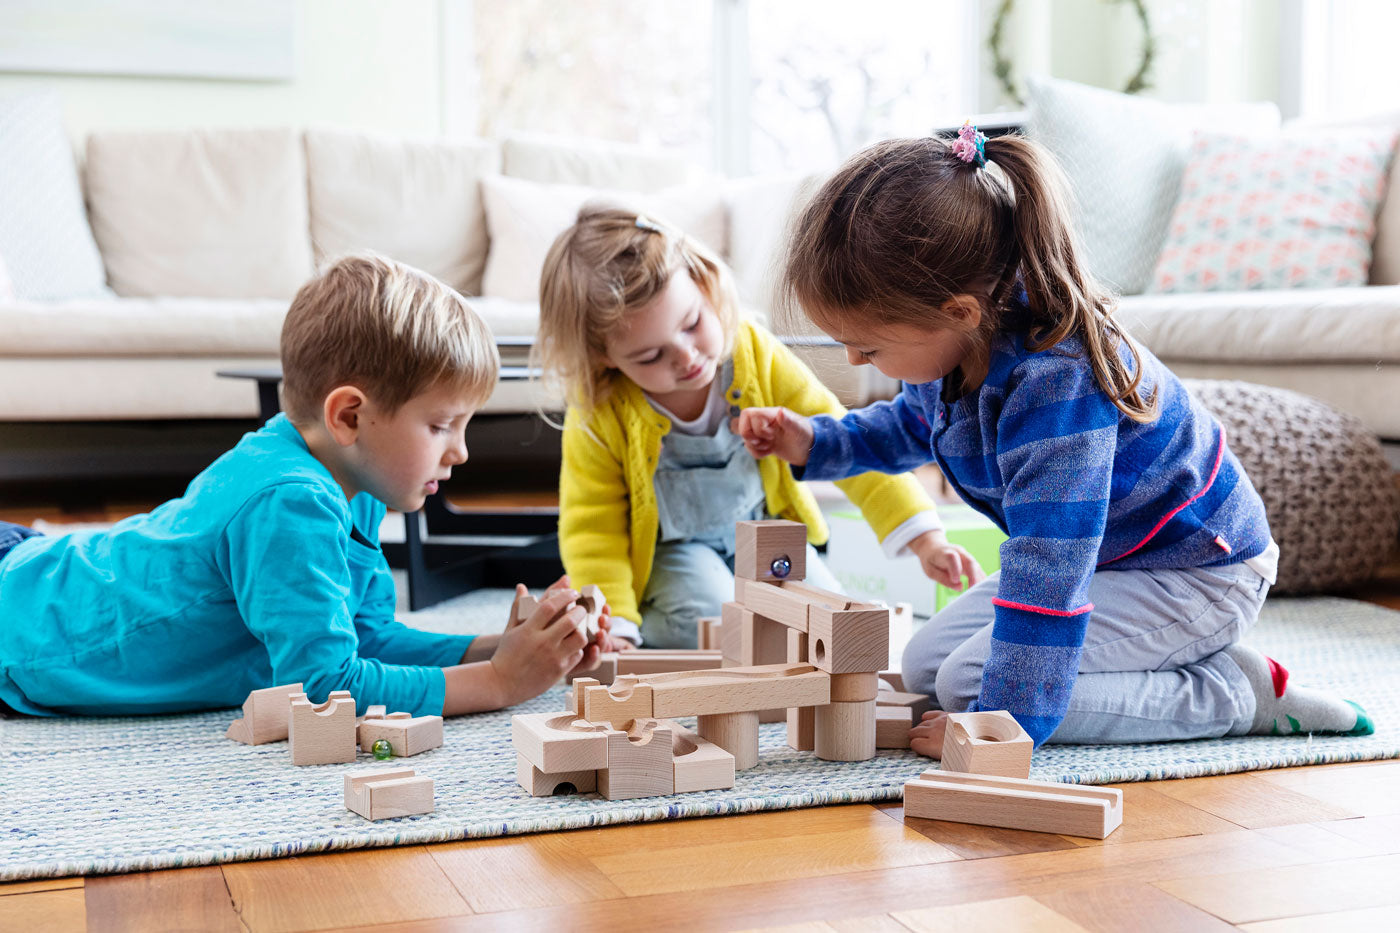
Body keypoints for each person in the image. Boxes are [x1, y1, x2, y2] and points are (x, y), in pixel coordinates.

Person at [737, 125, 1373, 753]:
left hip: (1198, 574)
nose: (853, 360)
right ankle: (1155, 670)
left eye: (868, 346)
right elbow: (913, 427)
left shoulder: (1058, 386)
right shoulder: (960, 344)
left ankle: (1234, 693)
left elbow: (1049, 565)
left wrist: (999, 727)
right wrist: (815, 443)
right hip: (1112, 559)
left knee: (966, 685)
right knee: (927, 662)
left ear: (958, 311)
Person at [0, 254, 612, 718]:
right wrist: (501, 683)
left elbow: (365, 639)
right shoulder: (292, 501)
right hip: (19, 630)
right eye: (440, 425)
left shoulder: (353, 472)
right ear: (349, 414)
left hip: (36, 566)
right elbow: (323, 687)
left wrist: (503, 648)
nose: (462, 451)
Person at [534, 205, 977, 649]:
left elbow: (847, 442)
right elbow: (593, 526)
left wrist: (924, 538)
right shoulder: (600, 409)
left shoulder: (751, 351)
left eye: (693, 324)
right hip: (677, 554)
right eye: (650, 356)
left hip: (766, 532)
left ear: (704, 286)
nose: (687, 357)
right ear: (603, 356)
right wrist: (617, 624)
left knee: (828, 618)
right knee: (714, 624)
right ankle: (653, 616)